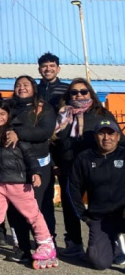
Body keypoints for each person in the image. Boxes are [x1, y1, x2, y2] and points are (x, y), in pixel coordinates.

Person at [0, 103, 56, 267]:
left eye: (2, 114)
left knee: (32, 214)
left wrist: (36, 172)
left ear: (8, 116)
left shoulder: (13, 133)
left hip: (17, 182)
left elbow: (29, 154)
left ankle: (46, 244)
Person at [51, 78, 118, 259]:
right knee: (70, 206)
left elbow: (117, 140)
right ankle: (74, 243)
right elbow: (52, 142)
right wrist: (54, 164)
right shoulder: (62, 115)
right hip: (68, 167)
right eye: (74, 92)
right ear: (68, 95)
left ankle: (111, 241)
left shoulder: (101, 113)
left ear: (90, 93)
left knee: (102, 204)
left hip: (96, 168)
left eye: (83, 91)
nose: (79, 95)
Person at [5, 76, 55, 263]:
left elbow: (45, 131)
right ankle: (23, 247)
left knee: (37, 207)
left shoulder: (44, 108)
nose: (21, 88)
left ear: (34, 88)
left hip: (39, 164)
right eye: (18, 85)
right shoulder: (8, 106)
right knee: (15, 208)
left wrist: (18, 133)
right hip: (13, 164)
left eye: (26, 85)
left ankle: (45, 244)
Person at [68, 119, 125, 270]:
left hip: (123, 213)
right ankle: (111, 245)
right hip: (100, 217)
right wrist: (84, 215)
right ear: (95, 137)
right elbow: (73, 188)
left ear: (118, 136)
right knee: (99, 263)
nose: (106, 138)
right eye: (102, 134)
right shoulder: (85, 158)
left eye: (111, 134)